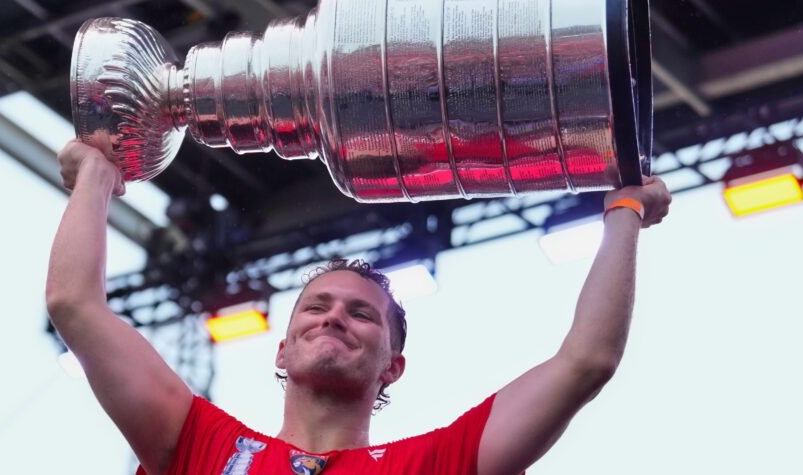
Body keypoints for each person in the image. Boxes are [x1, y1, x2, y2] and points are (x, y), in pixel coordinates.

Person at [47, 140, 672, 475]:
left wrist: (624, 213)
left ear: (392, 367)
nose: (335, 316)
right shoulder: (197, 444)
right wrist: (96, 178)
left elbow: (586, 361)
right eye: (315, 307)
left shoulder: (432, 466)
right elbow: (74, 305)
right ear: (282, 347)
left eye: (361, 314)